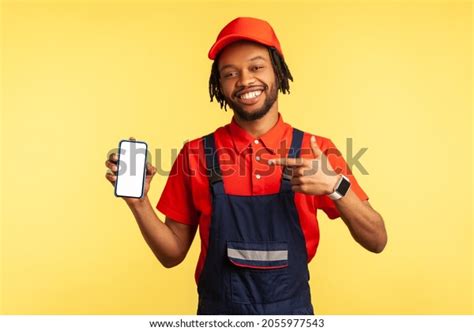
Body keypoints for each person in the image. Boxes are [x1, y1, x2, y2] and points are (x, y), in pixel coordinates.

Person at [105, 17, 387, 315]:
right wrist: (139, 203)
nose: (244, 81)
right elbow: (171, 254)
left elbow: (377, 240)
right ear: (220, 85)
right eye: (230, 73)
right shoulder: (196, 154)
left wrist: (335, 187)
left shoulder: (315, 151)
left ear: (277, 71)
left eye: (256, 67)